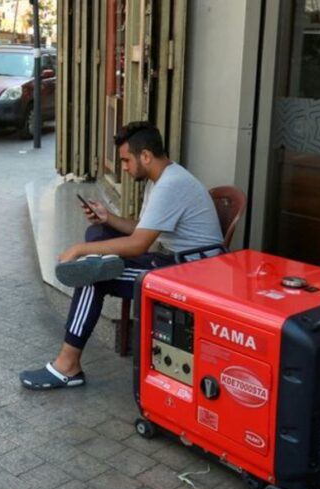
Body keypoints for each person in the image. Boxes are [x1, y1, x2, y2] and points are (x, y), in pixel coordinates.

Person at [19, 121, 224, 390]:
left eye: (127, 160)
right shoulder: (163, 178)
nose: (124, 168)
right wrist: (108, 218)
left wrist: (79, 249)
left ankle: (67, 366)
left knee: (93, 278)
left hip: (189, 274)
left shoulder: (170, 185)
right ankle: (95, 263)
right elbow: (142, 229)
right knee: (98, 231)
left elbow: (138, 244)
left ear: (146, 156)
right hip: (174, 261)